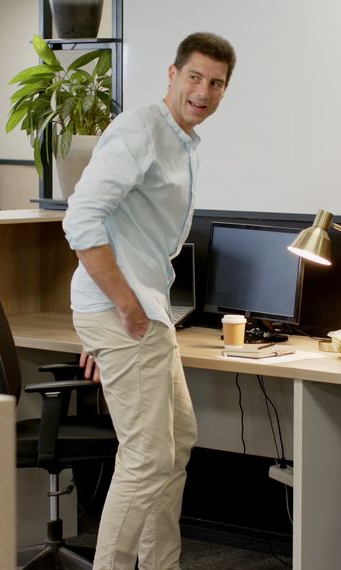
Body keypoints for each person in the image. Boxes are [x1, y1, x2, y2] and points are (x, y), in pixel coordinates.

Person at [61, 32, 236, 570]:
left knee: (177, 441)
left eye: (216, 83)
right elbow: (81, 220)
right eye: (194, 77)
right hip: (127, 311)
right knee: (145, 457)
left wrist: (132, 312)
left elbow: (135, 237)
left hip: (144, 313)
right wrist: (122, 307)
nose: (203, 91)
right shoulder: (141, 132)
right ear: (172, 73)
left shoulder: (182, 139)